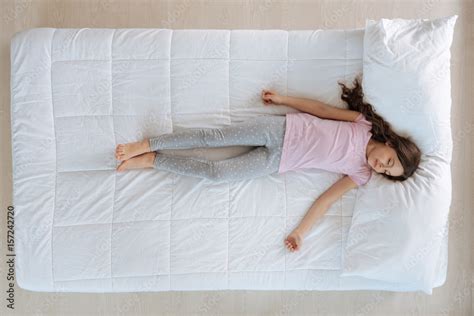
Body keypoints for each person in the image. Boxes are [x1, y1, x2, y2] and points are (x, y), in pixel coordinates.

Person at [114, 74, 421, 253]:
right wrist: (284, 99)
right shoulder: (361, 124)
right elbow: (320, 109)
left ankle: (154, 161)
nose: (381, 166)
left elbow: (326, 200)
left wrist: (301, 232)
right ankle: (147, 144)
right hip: (280, 129)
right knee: (212, 138)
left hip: (278, 161)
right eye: (389, 160)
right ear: (390, 143)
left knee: (217, 173)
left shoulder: (361, 173)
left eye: (386, 171)